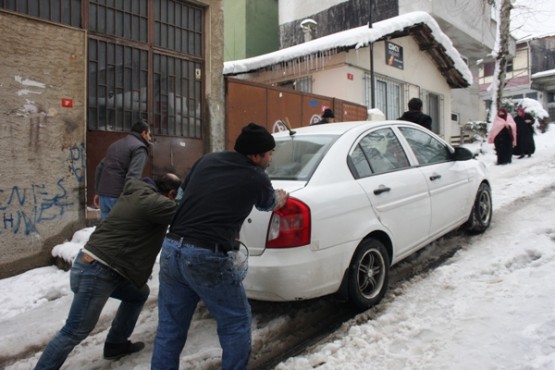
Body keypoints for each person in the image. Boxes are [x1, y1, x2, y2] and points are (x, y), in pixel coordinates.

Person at [151, 123, 289, 370]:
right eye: (269, 153)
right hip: (206, 256)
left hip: (172, 249)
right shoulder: (256, 175)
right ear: (255, 156)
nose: (270, 158)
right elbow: (268, 203)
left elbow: (182, 196)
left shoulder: (208, 160)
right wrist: (281, 197)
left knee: (170, 329)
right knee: (236, 322)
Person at [34, 173, 182, 370]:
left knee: (138, 294)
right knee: (74, 330)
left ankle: (115, 344)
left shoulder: (139, 194)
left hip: (98, 266)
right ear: (171, 194)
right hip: (98, 271)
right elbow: (185, 211)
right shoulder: (153, 202)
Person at [93, 120, 153, 220]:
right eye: (149, 134)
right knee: (122, 232)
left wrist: (98, 191)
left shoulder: (115, 145)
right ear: (143, 133)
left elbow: (100, 168)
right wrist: (129, 199)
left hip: (104, 196)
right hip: (119, 197)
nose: (150, 137)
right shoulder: (139, 148)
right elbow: (133, 177)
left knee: (106, 231)